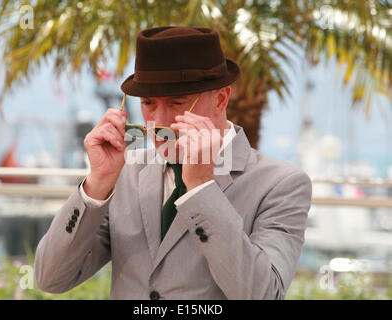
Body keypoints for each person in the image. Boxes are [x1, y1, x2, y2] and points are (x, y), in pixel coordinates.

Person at [34, 26, 312, 300]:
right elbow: (51, 279)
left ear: (221, 99)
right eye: (148, 103)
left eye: (178, 102)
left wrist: (202, 190)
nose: (160, 121)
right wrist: (96, 186)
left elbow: (264, 295)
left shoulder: (281, 184)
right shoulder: (125, 173)